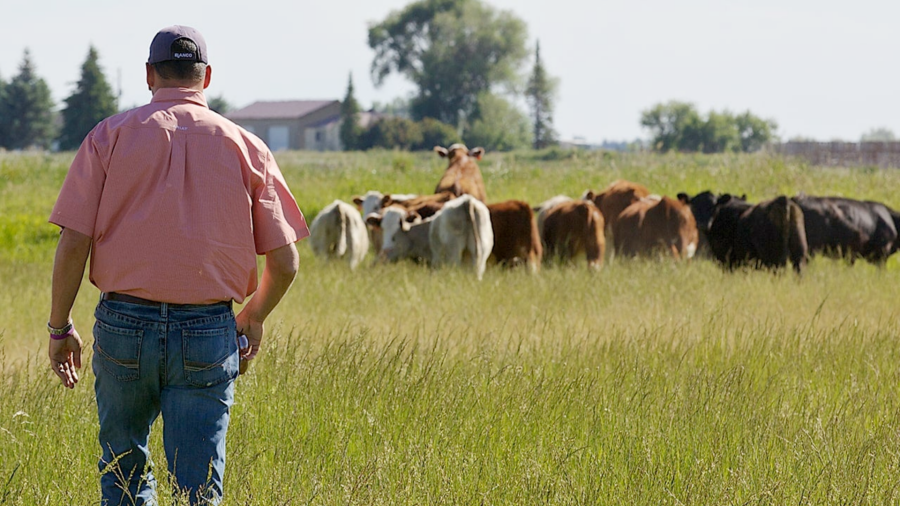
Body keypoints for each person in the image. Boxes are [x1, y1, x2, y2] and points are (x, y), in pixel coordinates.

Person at [47, 25, 308, 505]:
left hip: (123, 324)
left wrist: (60, 327)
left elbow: (73, 242)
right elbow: (286, 261)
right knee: (197, 488)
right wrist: (253, 317)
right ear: (206, 78)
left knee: (122, 476)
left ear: (149, 74)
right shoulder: (248, 147)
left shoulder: (107, 137)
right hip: (208, 330)